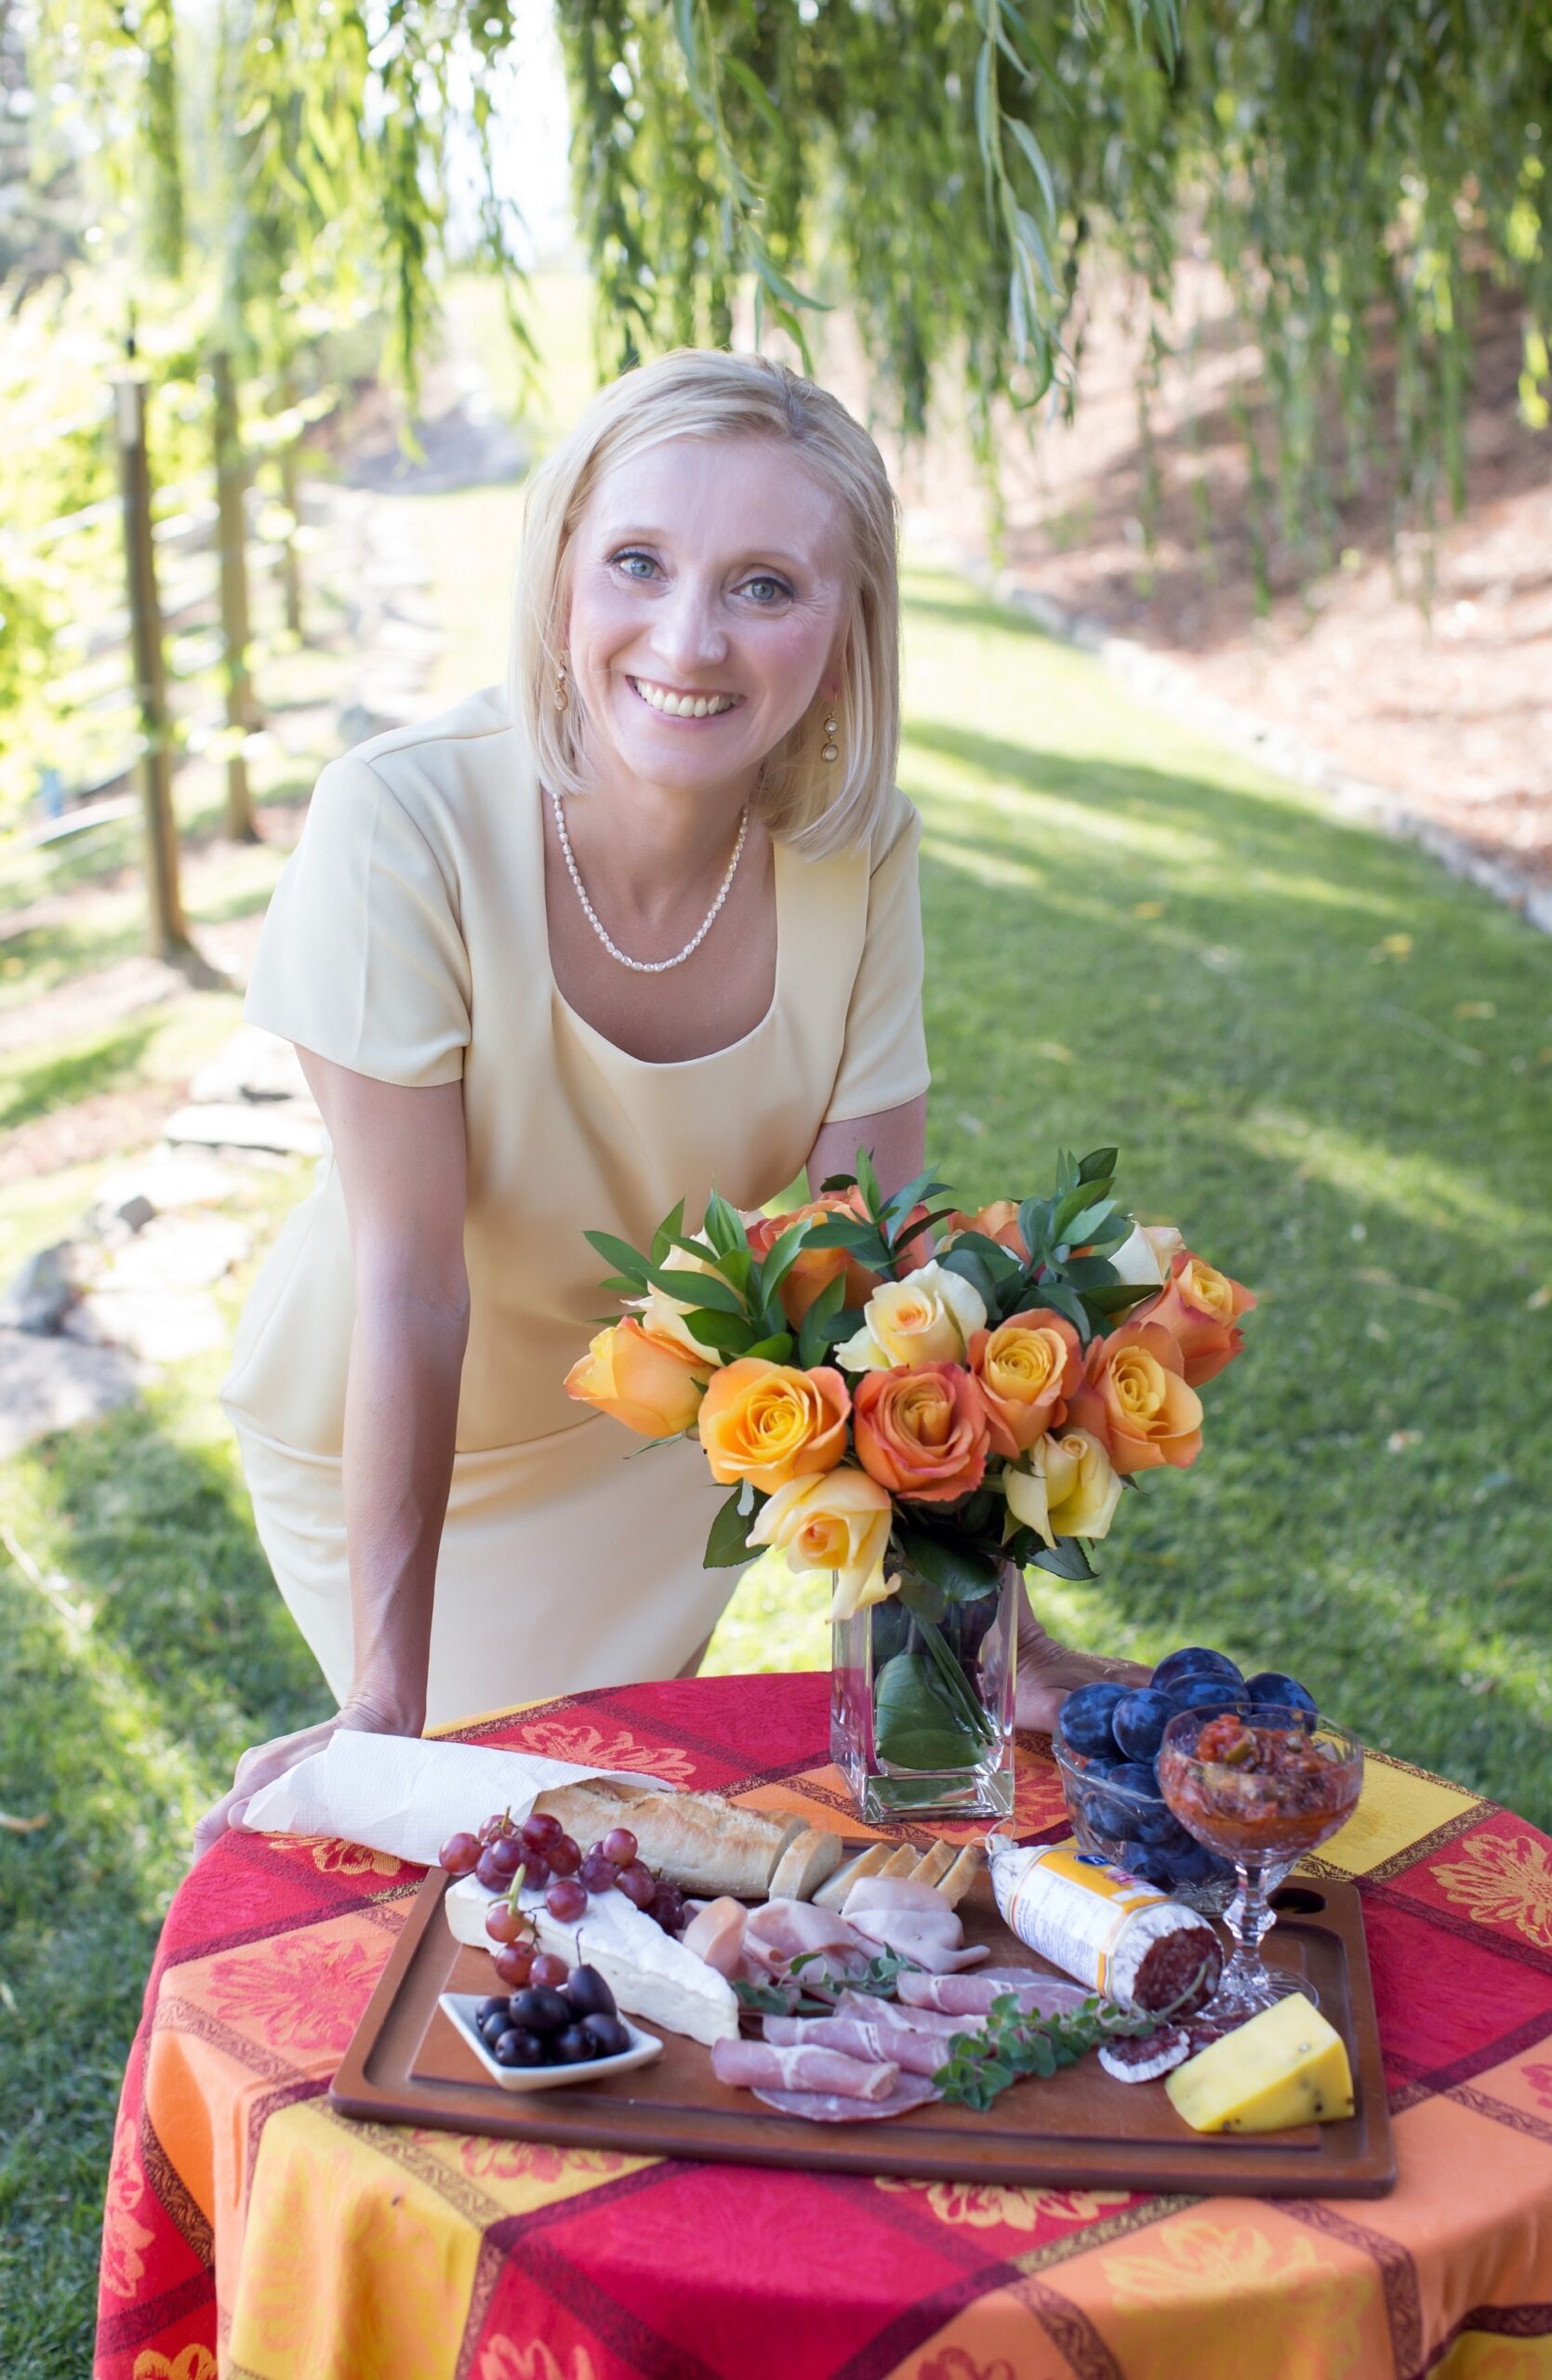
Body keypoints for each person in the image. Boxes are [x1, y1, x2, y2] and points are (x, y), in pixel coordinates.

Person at [194, 348, 1065, 1858]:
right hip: (410, 1438)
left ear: (847, 632)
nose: (688, 637)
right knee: (483, 1831)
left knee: (581, 1848)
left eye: (764, 586)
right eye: (638, 563)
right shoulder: (400, 819)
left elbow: (872, 1279)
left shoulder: (858, 857)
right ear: (557, 580)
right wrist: (385, 1699)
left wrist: (994, 1636)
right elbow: (412, 1287)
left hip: (653, 1449)